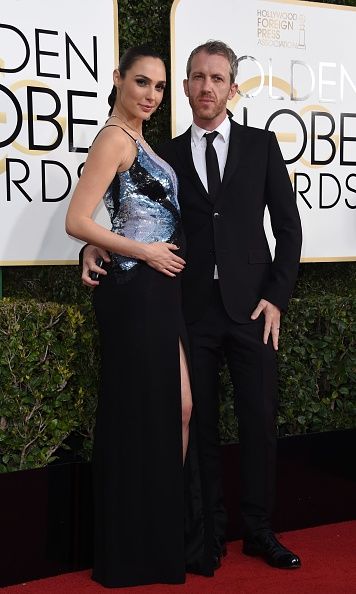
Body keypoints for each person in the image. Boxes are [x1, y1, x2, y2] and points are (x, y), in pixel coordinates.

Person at [81, 40, 303, 571]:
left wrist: (276, 297)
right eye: (197, 77)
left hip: (252, 309)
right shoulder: (168, 154)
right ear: (186, 86)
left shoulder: (262, 144)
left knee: (258, 421)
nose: (206, 87)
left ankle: (261, 532)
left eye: (217, 78)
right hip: (190, 310)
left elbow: (289, 229)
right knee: (196, 425)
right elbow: (133, 210)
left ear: (232, 88)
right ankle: (210, 535)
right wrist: (94, 243)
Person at [66, 45, 214, 588]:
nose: (151, 95)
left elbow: (116, 212)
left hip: (158, 290)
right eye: (141, 83)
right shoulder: (112, 138)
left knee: (180, 407)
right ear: (118, 80)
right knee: (142, 417)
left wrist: (127, 249)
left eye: (157, 86)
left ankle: (159, 536)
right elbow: (77, 219)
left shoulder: (136, 139)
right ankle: (134, 549)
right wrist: (142, 250)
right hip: (136, 290)